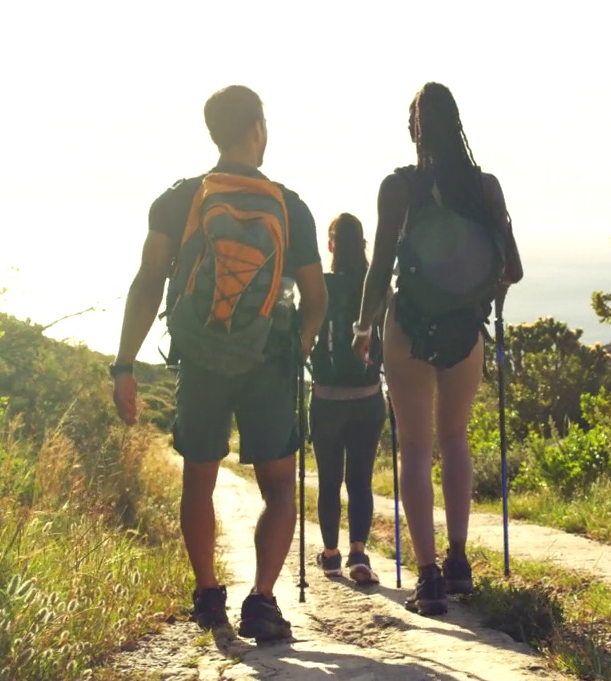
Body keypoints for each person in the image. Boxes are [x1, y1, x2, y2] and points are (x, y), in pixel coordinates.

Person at [110, 85, 328, 641]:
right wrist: (297, 344)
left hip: (201, 358)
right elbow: (315, 295)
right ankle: (261, 600)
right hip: (268, 361)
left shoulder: (178, 200)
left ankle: (208, 597)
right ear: (257, 128)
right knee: (279, 486)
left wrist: (124, 365)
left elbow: (148, 282)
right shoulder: (290, 205)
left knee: (199, 480)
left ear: (213, 133)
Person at [353, 82, 523, 616]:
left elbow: (381, 268)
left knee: (416, 447)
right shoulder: (485, 187)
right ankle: (458, 562)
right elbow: (512, 268)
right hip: (464, 332)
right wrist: (478, 296)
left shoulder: (398, 187)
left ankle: (426, 579)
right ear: (458, 125)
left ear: (414, 131)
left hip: (409, 328)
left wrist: (363, 328)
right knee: (455, 440)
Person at [308, 212, 387, 586]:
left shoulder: (319, 287)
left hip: (326, 399)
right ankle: (358, 552)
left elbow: (304, 335)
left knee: (329, 480)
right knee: (360, 480)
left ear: (331, 246)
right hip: (368, 397)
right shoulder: (378, 290)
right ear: (365, 245)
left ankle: (329, 556)